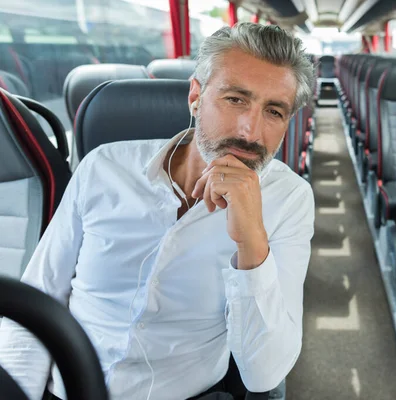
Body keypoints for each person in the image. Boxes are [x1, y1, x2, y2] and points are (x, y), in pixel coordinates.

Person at [0, 23, 316, 400]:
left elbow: (264, 374)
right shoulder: (103, 168)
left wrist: (251, 243)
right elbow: (41, 294)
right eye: (236, 99)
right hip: (67, 384)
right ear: (196, 97)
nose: (250, 132)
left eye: (274, 111)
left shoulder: (290, 199)